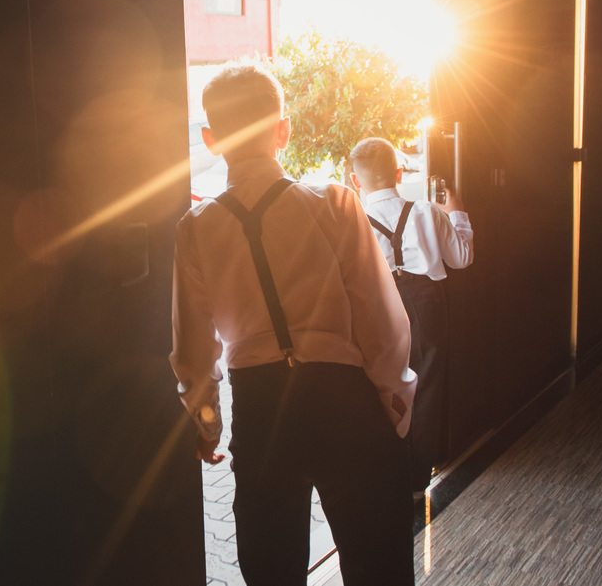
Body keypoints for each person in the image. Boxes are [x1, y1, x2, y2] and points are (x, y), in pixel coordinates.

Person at [170, 64, 417, 586]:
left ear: (211, 140)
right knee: (378, 563)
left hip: (261, 411)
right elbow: (381, 319)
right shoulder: (334, 203)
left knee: (271, 568)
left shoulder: (196, 229)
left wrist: (208, 423)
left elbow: (193, 350)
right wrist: (394, 401)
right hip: (344, 398)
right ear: (283, 130)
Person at [347, 137, 474, 498]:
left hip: (377, 306)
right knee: (426, 388)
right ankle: (417, 480)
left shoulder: (353, 222)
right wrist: (457, 212)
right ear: (399, 173)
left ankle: (384, 473)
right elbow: (462, 258)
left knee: (377, 386)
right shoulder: (427, 212)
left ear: (356, 181)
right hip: (425, 304)